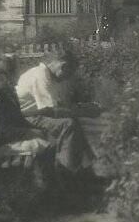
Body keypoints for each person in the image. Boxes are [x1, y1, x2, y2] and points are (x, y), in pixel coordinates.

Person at [15, 48, 97, 178]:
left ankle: (84, 170)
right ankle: (68, 172)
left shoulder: (50, 77)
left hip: (36, 115)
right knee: (68, 124)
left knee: (73, 123)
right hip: (26, 118)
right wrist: (83, 112)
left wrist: (82, 109)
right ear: (63, 66)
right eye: (68, 73)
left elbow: (60, 106)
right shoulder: (40, 76)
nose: (67, 78)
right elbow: (51, 110)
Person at [0, 54, 51, 162]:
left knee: (46, 137)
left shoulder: (7, 92)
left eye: (11, 74)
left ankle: (49, 176)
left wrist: (35, 130)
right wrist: (28, 133)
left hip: (4, 140)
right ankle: (48, 177)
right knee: (42, 145)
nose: (9, 79)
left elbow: (19, 119)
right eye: (3, 74)